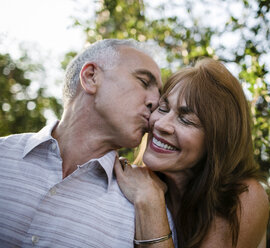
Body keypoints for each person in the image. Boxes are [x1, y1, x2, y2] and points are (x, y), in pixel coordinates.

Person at [0, 39, 178, 247]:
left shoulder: (153, 218)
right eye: (144, 82)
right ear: (91, 77)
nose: (155, 103)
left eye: (159, 93)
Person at [114, 58, 270, 248]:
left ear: (217, 142)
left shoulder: (242, 195)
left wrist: (150, 202)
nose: (161, 124)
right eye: (163, 108)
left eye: (186, 120)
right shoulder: (137, 183)